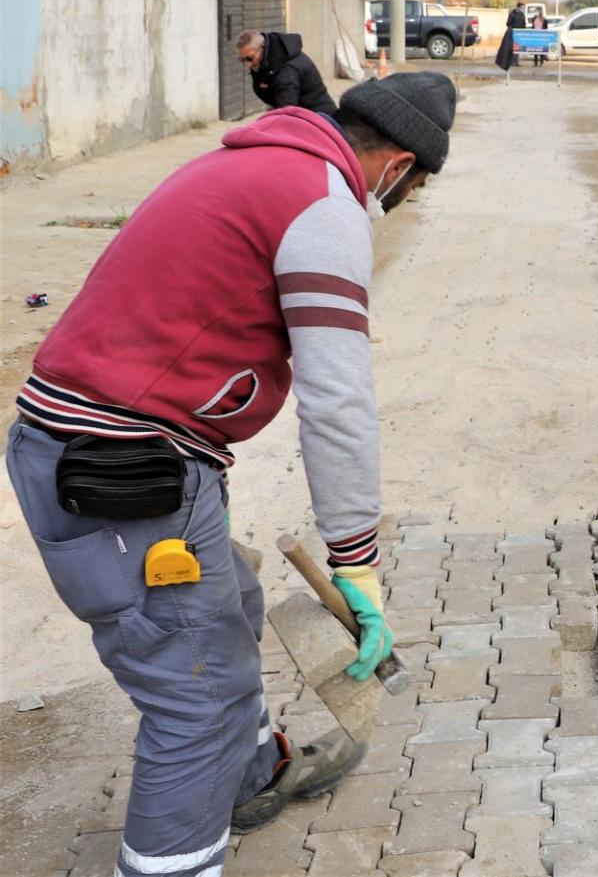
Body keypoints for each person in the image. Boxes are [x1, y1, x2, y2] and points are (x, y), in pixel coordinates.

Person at [7, 72, 457, 876]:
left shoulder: (253, 161)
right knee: (199, 699)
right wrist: (356, 559)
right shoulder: (323, 202)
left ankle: (250, 774)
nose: (395, 204)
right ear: (396, 165)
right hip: (119, 468)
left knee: (232, 602)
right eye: (410, 190)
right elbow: (338, 399)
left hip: (110, 443)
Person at [239, 30, 337, 116]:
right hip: (305, 116)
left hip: (319, 120)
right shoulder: (270, 63)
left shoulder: (286, 71)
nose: (247, 64)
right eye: (242, 60)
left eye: (249, 58)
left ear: (262, 47)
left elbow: (286, 112)